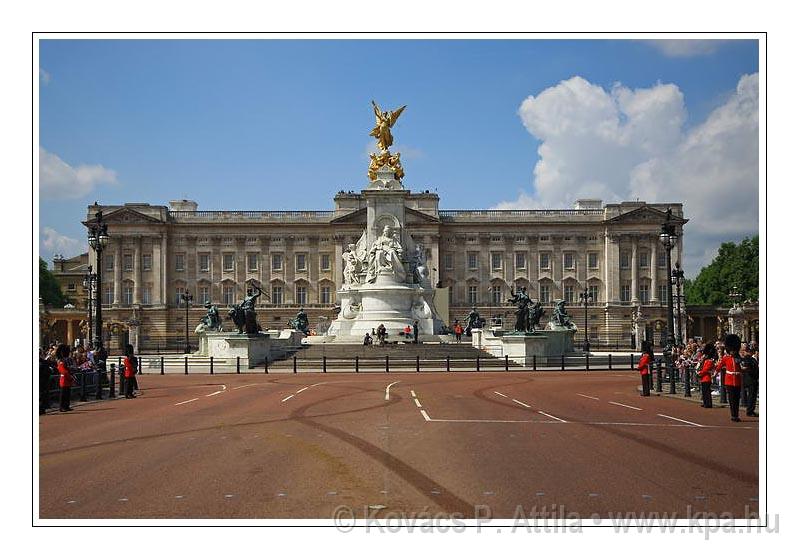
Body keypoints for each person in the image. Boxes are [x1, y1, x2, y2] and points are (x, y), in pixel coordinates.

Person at [715, 334, 743, 422]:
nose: (732, 352)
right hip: (729, 380)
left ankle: (736, 414)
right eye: (731, 350)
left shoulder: (739, 358)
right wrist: (715, 373)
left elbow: (742, 367)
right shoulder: (726, 358)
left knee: (737, 398)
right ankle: (733, 415)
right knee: (731, 399)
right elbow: (719, 366)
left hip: (737, 380)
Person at [740, 343, 759, 417]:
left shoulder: (746, 359)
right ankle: (750, 411)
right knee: (752, 396)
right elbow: (748, 368)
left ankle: (750, 409)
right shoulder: (750, 359)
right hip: (751, 379)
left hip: (748, 379)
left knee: (751, 395)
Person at [696, 343, 717, 408]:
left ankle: (708, 403)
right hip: (704, 378)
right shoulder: (705, 361)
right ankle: (705, 402)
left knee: (707, 392)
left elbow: (705, 370)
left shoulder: (709, 361)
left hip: (706, 378)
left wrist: (700, 373)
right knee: (704, 391)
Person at [55, 344, 73, 412]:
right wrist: (69, 376)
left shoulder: (65, 360)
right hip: (64, 379)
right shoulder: (61, 361)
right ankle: (61, 407)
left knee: (67, 394)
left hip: (67, 379)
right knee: (63, 395)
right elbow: (63, 371)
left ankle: (66, 406)